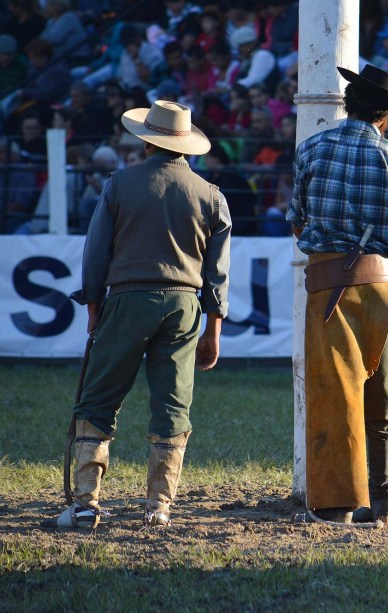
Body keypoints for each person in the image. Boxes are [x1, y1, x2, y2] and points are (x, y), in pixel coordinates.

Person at [44, 100, 231, 530]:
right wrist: (213, 328)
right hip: (184, 306)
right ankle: (158, 507)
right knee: (172, 404)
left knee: (98, 399)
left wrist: (94, 307)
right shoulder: (211, 196)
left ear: (147, 142)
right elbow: (217, 274)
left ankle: (87, 503)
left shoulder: (119, 184)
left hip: (126, 300)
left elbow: (95, 253)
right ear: (186, 143)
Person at [287, 65, 388, 525]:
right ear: (387, 116)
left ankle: (335, 504)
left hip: (326, 287)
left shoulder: (310, 149)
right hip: (382, 289)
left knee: (333, 393)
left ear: (347, 103)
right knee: (385, 396)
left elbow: (297, 219)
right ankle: (383, 502)